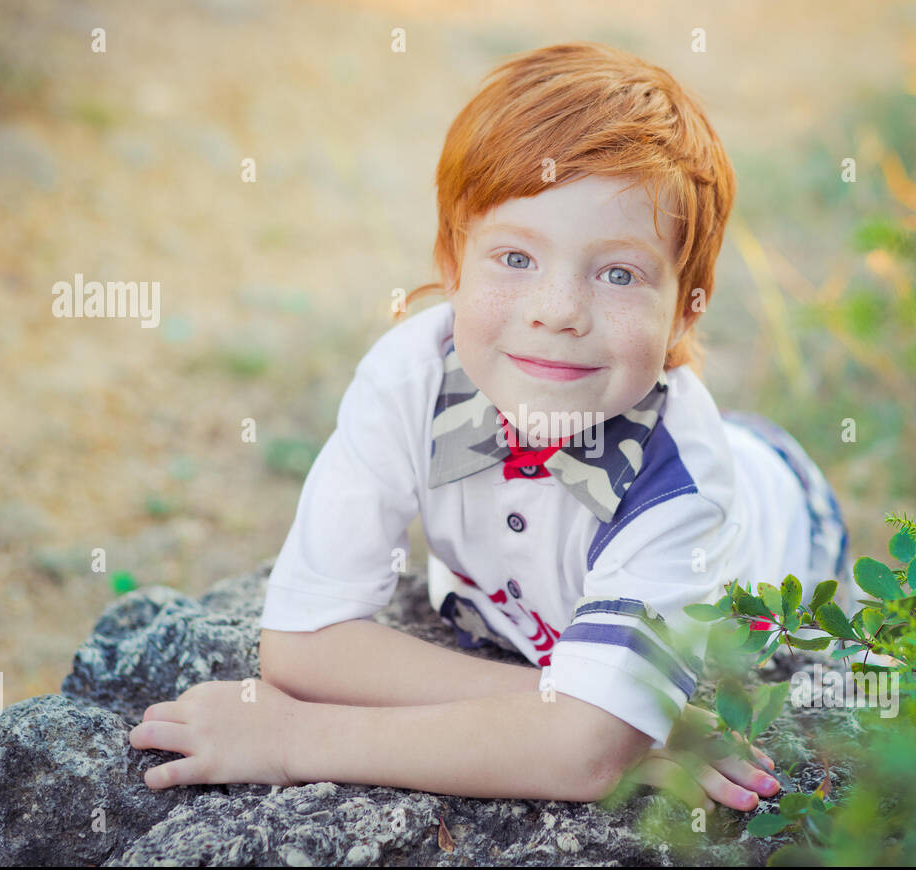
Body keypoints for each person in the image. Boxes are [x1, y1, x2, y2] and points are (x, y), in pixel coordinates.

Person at [130, 41, 865, 814]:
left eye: (619, 274)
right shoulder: (410, 374)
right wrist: (608, 713)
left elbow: (581, 756)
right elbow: (304, 643)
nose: (557, 310)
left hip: (775, 516)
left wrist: (291, 741)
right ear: (451, 262)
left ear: (686, 306)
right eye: (514, 257)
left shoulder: (679, 487)